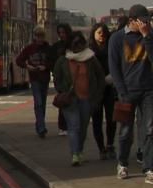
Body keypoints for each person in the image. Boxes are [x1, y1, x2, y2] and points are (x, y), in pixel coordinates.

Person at [108, 4, 153, 182]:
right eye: (143, 21)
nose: (146, 24)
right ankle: (123, 163)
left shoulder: (149, 36)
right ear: (132, 20)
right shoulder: (117, 39)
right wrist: (122, 91)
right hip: (127, 91)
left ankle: (149, 167)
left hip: (148, 90)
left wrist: (147, 37)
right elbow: (114, 67)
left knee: (150, 130)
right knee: (126, 131)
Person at [52, 32, 104, 167]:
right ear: (70, 45)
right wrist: (63, 89)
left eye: (80, 44)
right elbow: (57, 77)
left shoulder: (90, 58)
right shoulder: (63, 60)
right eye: (75, 44)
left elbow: (100, 77)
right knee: (74, 126)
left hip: (87, 98)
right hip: (70, 100)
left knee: (83, 127)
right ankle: (75, 154)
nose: (78, 47)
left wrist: (97, 96)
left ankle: (79, 150)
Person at [17, 27, 53, 138]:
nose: (39, 38)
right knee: (38, 102)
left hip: (45, 79)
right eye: (37, 36)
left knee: (42, 104)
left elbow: (53, 61)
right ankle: (42, 128)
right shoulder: (29, 48)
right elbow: (19, 60)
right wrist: (27, 66)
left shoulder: (48, 48)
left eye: (41, 36)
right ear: (35, 36)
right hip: (34, 79)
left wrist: (45, 66)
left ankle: (39, 126)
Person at [88, 22, 117, 159]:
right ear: (93, 34)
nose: (102, 36)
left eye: (104, 33)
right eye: (99, 33)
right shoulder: (89, 51)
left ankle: (110, 144)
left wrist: (112, 77)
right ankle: (101, 148)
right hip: (95, 90)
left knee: (112, 118)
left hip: (110, 88)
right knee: (97, 119)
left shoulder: (111, 47)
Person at [50, 23, 73, 136]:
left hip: (72, 78)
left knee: (72, 103)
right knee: (63, 102)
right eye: (60, 33)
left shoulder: (73, 44)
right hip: (61, 78)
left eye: (64, 32)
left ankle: (70, 124)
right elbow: (52, 61)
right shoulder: (56, 46)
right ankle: (62, 126)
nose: (62, 35)